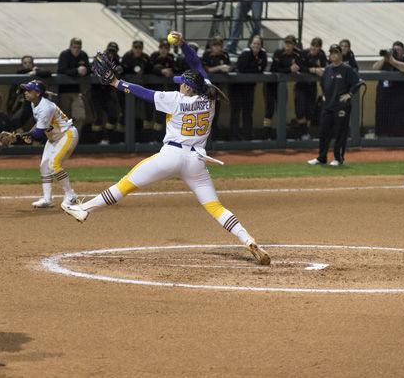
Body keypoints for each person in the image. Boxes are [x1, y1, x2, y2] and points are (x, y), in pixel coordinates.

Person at [63, 32, 271, 267]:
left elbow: (143, 92)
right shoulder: (209, 95)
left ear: (188, 87)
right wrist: (183, 44)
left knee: (127, 183)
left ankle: (84, 209)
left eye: (183, 82)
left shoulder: (175, 99)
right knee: (215, 207)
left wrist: (115, 83)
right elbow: (196, 64)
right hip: (197, 161)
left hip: (171, 155)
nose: (180, 84)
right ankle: (249, 239)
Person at [18, 81, 80, 209]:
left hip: (66, 135)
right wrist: (28, 133)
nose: (26, 92)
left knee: (54, 164)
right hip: (54, 137)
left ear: (37, 93)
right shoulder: (34, 103)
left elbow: (39, 133)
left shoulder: (45, 107)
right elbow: (39, 124)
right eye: (26, 90)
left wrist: (18, 136)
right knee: (44, 166)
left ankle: (71, 195)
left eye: (29, 90)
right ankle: (47, 199)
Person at [307, 44, 360, 166]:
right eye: (331, 53)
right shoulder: (328, 69)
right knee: (323, 132)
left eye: (336, 52)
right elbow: (322, 84)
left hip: (342, 106)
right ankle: (322, 157)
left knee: (340, 132)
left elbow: (357, 83)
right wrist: (324, 95)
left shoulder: (347, 69)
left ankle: (338, 158)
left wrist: (349, 94)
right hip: (328, 105)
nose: (333, 55)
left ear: (340, 54)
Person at [372, 41, 404, 137]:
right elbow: (374, 68)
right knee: (383, 123)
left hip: (400, 100)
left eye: (398, 50)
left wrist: (393, 62)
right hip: (384, 98)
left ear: (403, 51)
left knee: (399, 123)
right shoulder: (386, 61)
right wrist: (385, 58)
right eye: (394, 50)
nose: (396, 52)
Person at [267, 34, 301, 140]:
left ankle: (281, 135)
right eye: (286, 43)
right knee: (270, 109)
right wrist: (289, 69)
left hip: (282, 85)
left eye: (290, 43)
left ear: (294, 45)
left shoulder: (297, 54)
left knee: (281, 108)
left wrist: (296, 68)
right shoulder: (278, 52)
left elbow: (300, 66)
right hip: (271, 84)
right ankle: (266, 135)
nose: (287, 45)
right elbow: (274, 68)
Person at [233, 34, 266, 140]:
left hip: (250, 87)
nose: (256, 46)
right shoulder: (246, 53)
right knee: (236, 111)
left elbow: (261, 69)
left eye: (258, 44)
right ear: (250, 44)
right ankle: (234, 136)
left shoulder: (263, 54)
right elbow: (242, 69)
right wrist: (255, 68)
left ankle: (248, 136)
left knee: (248, 112)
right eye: (254, 43)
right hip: (237, 87)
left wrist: (254, 68)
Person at [90, 41, 124, 145]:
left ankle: (108, 139)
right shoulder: (99, 58)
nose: (111, 53)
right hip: (97, 91)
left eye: (113, 51)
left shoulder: (117, 60)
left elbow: (120, 71)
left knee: (113, 114)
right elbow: (93, 71)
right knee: (98, 117)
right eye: (110, 51)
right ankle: (95, 142)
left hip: (109, 92)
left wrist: (119, 69)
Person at [57, 38, 89, 134]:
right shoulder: (64, 55)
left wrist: (85, 70)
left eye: (78, 47)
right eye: (74, 47)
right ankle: (64, 140)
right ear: (70, 47)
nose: (76, 50)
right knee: (65, 118)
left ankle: (74, 137)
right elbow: (61, 70)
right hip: (64, 91)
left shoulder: (83, 55)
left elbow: (90, 69)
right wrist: (76, 71)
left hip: (77, 91)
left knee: (80, 116)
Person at [296, 37, 326, 140]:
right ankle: (302, 132)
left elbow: (325, 68)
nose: (314, 48)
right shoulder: (304, 53)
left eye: (317, 46)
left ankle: (306, 133)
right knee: (300, 110)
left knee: (310, 111)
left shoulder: (321, 55)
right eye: (313, 45)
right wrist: (313, 69)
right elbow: (300, 67)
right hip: (301, 85)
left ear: (320, 47)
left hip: (312, 86)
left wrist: (320, 70)